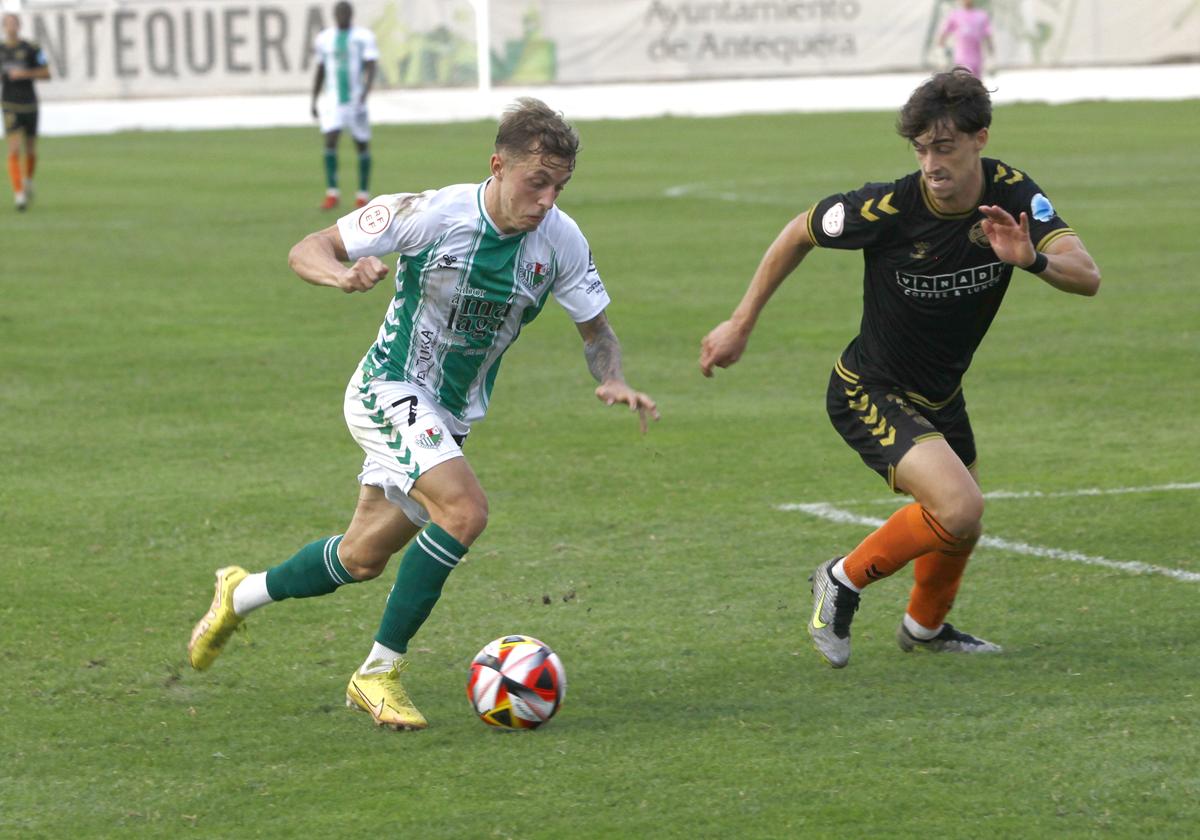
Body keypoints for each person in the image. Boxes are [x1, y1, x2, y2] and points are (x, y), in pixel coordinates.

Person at [188, 97, 659, 728]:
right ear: (498, 166)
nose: (547, 199)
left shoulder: (562, 241)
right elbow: (310, 247)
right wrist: (342, 275)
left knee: (360, 559)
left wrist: (614, 378)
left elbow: (597, 333)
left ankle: (238, 594)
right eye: (536, 182)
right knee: (465, 511)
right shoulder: (432, 212)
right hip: (388, 387)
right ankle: (377, 672)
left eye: (559, 186)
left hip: (449, 414)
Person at [699, 69, 1100, 669]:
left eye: (945, 147)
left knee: (961, 522)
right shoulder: (889, 207)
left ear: (980, 138)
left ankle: (925, 628)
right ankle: (840, 579)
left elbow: (1087, 276)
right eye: (921, 149)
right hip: (871, 387)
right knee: (960, 508)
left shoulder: (1012, 195)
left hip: (941, 392)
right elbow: (799, 231)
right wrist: (740, 323)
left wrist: (1031, 258)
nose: (931, 163)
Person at [311, 1, 378, 211]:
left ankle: (362, 194)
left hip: (355, 100)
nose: (342, 16)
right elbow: (320, 69)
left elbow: (371, 65)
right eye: (339, 13)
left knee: (361, 144)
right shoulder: (324, 39)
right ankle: (332, 193)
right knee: (330, 140)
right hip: (333, 101)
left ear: (351, 14)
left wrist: (365, 92)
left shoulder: (363, 37)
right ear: (334, 15)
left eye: (346, 13)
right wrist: (313, 98)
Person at [1, 13, 50, 212]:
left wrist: (25, 74)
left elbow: (46, 73)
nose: (11, 27)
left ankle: (28, 180)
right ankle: (19, 194)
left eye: (14, 23)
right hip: (9, 104)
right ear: (4, 27)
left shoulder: (32, 48)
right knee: (13, 148)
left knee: (30, 148)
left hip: (30, 104)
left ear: (19, 26)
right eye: (7, 24)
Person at [938, 0, 993, 78]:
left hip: (977, 59)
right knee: (962, 82)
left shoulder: (981, 15)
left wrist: (991, 56)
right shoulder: (955, 15)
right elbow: (944, 33)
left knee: (976, 83)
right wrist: (940, 53)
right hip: (961, 58)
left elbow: (988, 35)